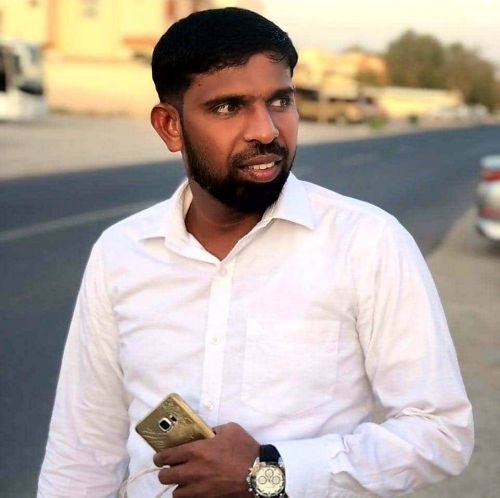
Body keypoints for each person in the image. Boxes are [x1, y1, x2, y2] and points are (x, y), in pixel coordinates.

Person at [38, 7, 473, 498]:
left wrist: (271, 472)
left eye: (280, 101)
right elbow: (82, 453)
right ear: (170, 126)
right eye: (228, 107)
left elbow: (440, 432)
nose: (266, 130)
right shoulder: (122, 252)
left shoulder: (366, 241)